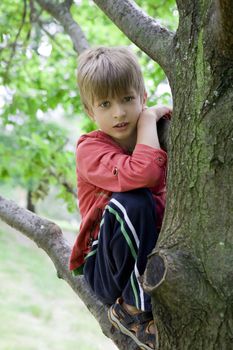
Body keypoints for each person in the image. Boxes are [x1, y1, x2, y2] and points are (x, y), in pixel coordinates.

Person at [69, 46, 171, 350]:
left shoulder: (161, 135)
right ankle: (131, 311)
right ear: (90, 111)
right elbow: (144, 174)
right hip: (104, 269)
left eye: (127, 99)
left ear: (143, 96)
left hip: (145, 262)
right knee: (135, 200)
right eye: (105, 103)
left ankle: (142, 299)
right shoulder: (90, 150)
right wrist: (148, 119)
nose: (119, 112)